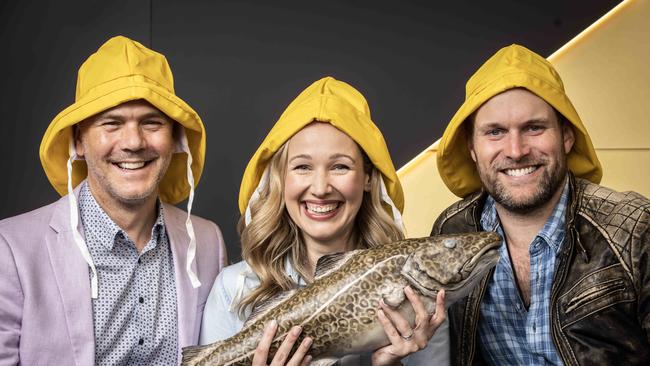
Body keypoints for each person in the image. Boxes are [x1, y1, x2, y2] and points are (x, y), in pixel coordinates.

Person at [0, 36, 227, 365]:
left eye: (152, 123)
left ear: (176, 138)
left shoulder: (207, 242)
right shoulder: (11, 248)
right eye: (112, 123)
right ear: (79, 140)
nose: (133, 142)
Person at [200, 76, 449, 365]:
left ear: (368, 178)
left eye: (340, 166)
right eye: (303, 167)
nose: (320, 188)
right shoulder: (236, 290)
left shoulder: (419, 295)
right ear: (281, 178)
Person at [431, 44, 650, 365]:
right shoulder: (452, 230)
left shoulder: (635, 229)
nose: (516, 150)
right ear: (472, 148)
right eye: (495, 132)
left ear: (566, 136)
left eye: (534, 128)